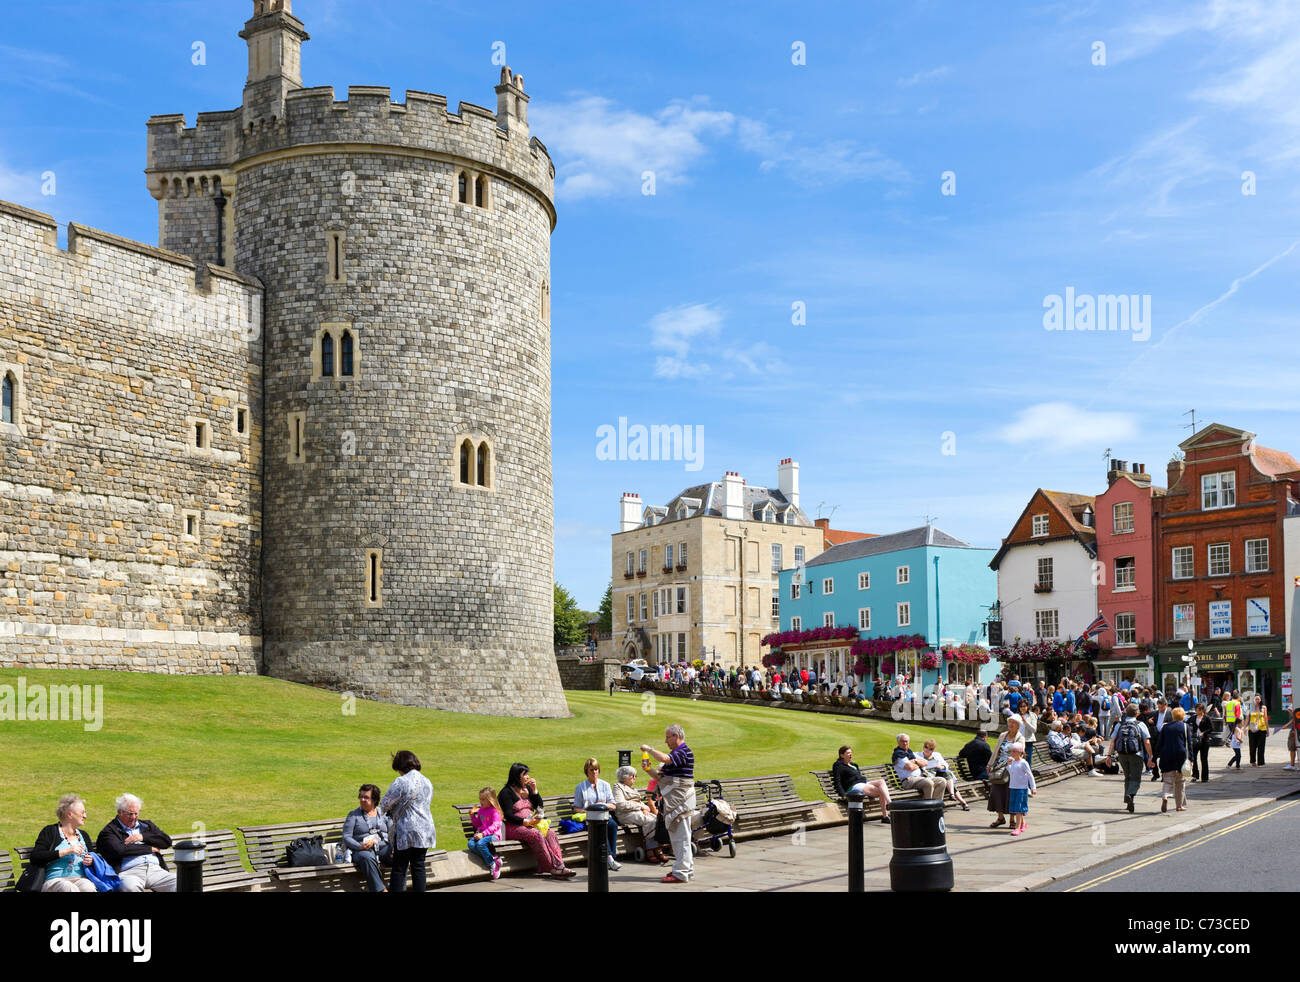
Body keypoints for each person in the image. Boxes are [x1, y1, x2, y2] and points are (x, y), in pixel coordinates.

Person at [499, 763, 576, 878]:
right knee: (536, 834)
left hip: (531, 824)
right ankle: (550, 868)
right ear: (517, 776)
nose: (528, 777)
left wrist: (534, 791)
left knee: (550, 833)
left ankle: (560, 866)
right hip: (513, 826)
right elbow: (508, 815)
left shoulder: (527, 789)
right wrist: (525, 821)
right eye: (525, 774)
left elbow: (539, 806)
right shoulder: (506, 792)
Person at [641, 723, 695, 884]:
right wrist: (648, 769)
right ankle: (685, 868)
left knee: (681, 838)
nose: (666, 741)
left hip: (681, 802)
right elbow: (661, 778)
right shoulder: (676, 753)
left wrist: (649, 749)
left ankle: (681, 872)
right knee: (680, 837)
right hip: (678, 802)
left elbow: (665, 759)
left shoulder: (683, 751)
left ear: (676, 736)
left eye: (667, 737)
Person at [379, 749, 436, 892]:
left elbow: (385, 804)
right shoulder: (427, 781)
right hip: (426, 828)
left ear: (400, 766)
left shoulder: (402, 781)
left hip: (407, 829)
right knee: (418, 865)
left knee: (400, 866)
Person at [95, 793, 175, 892]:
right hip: (129, 872)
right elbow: (119, 850)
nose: (133, 817)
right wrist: (149, 849)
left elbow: (166, 841)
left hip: (155, 870)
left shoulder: (147, 825)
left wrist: (143, 837)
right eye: (130, 814)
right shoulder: (110, 831)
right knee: (130, 887)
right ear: (119, 812)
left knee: (180, 883)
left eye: (136, 813)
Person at [32, 793, 97, 892]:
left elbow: (92, 856)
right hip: (55, 881)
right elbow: (36, 857)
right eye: (82, 812)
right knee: (68, 887)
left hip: (80, 879)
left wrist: (91, 860)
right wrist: (67, 851)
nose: (85, 816)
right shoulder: (50, 831)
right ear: (70, 814)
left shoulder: (84, 835)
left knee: (89, 887)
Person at [343, 783, 393, 892]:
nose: (362, 800)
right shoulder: (353, 815)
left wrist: (391, 845)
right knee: (367, 858)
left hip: (383, 847)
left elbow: (392, 832)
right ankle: (381, 890)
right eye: (361, 797)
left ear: (374, 799)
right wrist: (360, 846)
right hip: (362, 850)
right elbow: (346, 837)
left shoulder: (384, 813)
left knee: (400, 856)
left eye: (366, 797)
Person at [573, 757, 621, 871]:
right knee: (600, 827)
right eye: (591, 770)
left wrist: (603, 804)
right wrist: (589, 810)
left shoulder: (605, 785)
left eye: (596, 769)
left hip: (605, 816)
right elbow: (576, 808)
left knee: (612, 825)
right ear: (587, 771)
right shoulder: (581, 787)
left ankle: (610, 857)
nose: (594, 772)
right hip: (589, 819)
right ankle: (610, 858)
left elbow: (613, 805)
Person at [612, 765, 666, 863]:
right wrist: (641, 807)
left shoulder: (633, 789)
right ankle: (650, 850)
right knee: (650, 821)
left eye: (635, 776)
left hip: (636, 812)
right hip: (625, 814)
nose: (635, 778)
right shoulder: (618, 787)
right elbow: (621, 805)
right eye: (632, 776)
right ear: (624, 777)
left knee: (658, 820)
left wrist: (645, 809)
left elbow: (639, 802)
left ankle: (657, 847)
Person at [1108, 704, 1153, 813]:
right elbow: (1147, 742)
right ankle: (1130, 794)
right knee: (1136, 777)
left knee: (1127, 776)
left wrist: (1108, 756)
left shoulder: (1119, 724)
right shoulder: (1140, 724)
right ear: (1137, 713)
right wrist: (1150, 756)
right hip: (1136, 754)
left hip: (1122, 754)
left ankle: (1128, 801)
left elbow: (1112, 741)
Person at [832, 745, 892, 822]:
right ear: (842, 755)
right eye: (848, 753)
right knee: (881, 791)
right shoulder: (838, 765)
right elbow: (837, 781)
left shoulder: (854, 765)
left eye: (851, 753)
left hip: (863, 784)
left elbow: (859, 777)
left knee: (881, 781)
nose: (850, 754)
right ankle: (885, 816)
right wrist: (843, 794)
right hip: (854, 787)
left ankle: (889, 803)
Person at [987, 717, 1026, 828]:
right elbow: (996, 751)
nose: (1011, 724)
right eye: (1010, 722)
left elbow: (1021, 753)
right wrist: (990, 764)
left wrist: (1013, 760)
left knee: (1010, 793)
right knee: (995, 791)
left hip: (1012, 769)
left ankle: (1012, 820)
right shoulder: (1003, 735)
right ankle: (1000, 818)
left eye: (1014, 723)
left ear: (1018, 725)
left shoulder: (1020, 738)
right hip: (999, 767)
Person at [1156, 707, 1190, 813]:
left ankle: (1165, 796)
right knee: (1180, 782)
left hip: (1166, 756)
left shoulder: (1165, 727)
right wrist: (1191, 759)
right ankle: (1179, 806)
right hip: (1180, 756)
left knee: (1167, 780)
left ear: (1173, 716)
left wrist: (1154, 758)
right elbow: (1189, 744)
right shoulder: (1185, 726)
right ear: (1183, 716)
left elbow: (1159, 743)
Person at [920, 739, 969, 811]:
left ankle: (952, 795)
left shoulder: (937, 755)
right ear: (923, 746)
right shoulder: (918, 755)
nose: (927, 750)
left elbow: (945, 764)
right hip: (928, 776)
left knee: (946, 774)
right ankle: (961, 801)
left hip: (938, 774)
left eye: (931, 749)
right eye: (926, 747)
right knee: (946, 780)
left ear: (933, 750)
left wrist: (941, 767)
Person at [891, 733, 945, 799]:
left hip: (920, 778)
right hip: (909, 781)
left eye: (906, 741)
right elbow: (910, 767)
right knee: (928, 783)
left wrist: (915, 761)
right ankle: (928, 804)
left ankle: (936, 803)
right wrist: (918, 764)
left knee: (941, 781)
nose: (905, 743)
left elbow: (925, 763)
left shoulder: (910, 752)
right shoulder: (898, 754)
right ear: (898, 742)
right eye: (902, 741)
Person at [466, 786, 503, 880]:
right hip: (483, 835)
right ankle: (493, 858)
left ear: (490, 800)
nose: (480, 801)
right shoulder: (481, 810)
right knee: (470, 844)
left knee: (480, 843)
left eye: (483, 799)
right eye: (480, 799)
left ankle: (492, 864)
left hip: (494, 835)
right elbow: (478, 824)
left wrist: (483, 834)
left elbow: (495, 826)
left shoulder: (495, 812)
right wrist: (472, 817)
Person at [1005, 744, 1035, 836]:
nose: (1012, 753)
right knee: (1015, 808)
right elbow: (1012, 773)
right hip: (1013, 787)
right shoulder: (1013, 762)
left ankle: (1017, 828)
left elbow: (1030, 775)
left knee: (1019, 809)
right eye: (1011, 751)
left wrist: (1033, 787)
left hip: (1021, 789)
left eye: (1014, 751)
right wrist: (1008, 765)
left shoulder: (1023, 763)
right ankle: (1023, 823)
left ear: (1020, 752)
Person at [1190, 703, 1212, 782]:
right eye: (1196, 710)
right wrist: (1190, 732)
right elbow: (1187, 724)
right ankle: (1195, 775)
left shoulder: (1207, 718)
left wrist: (1204, 733)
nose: (1197, 712)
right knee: (1193, 758)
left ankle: (1205, 777)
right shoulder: (1193, 717)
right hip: (1195, 740)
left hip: (1204, 740)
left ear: (1202, 710)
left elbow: (1211, 728)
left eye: (1198, 710)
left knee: (1204, 759)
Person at [1247, 695, 1269, 766]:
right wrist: (1244, 728)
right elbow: (1247, 718)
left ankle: (1261, 763)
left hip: (1262, 728)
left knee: (1261, 747)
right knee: (1252, 746)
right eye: (1256, 699)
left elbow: (1265, 719)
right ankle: (1253, 761)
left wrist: (1267, 730)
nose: (1257, 700)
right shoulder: (1250, 707)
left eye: (1258, 699)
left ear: (1260, 700)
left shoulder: (1264, 707)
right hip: (1252, 729)